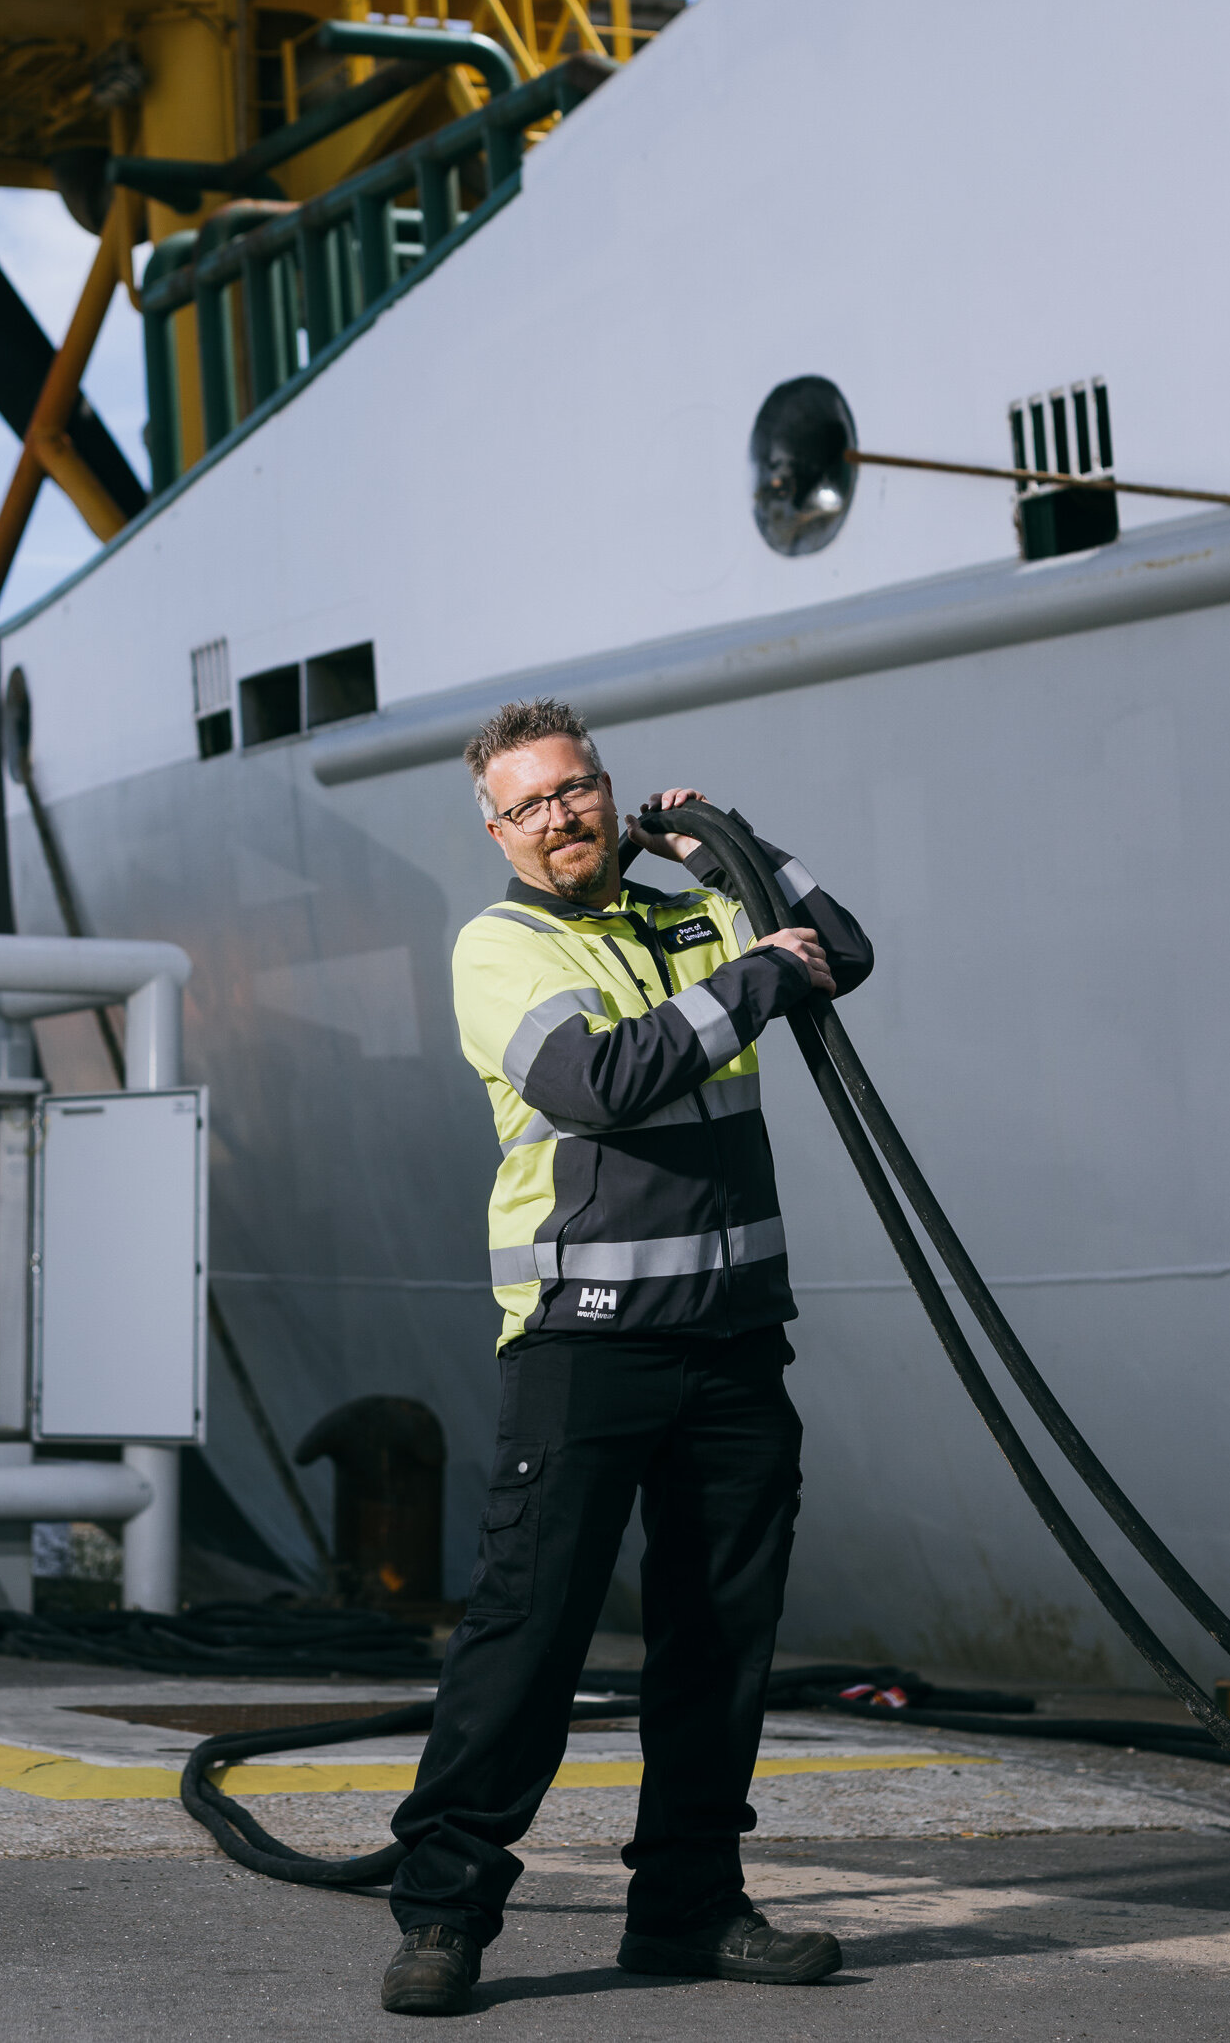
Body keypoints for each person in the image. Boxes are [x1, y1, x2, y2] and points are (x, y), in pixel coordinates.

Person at [380, 695, 874, 2017]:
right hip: (585, 1347)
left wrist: (721, 844)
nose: (561, 819)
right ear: (496, 830)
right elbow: (600, 1081)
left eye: (578, 790)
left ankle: (691, 1906)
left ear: (610, 792)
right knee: (529, 1634)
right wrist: (755, 972)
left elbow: (846, 948)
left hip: (731, 1343)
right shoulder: (500, 945)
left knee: (720, 1640)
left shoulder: (684, 913)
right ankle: (442, 1914)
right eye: (530, 806)